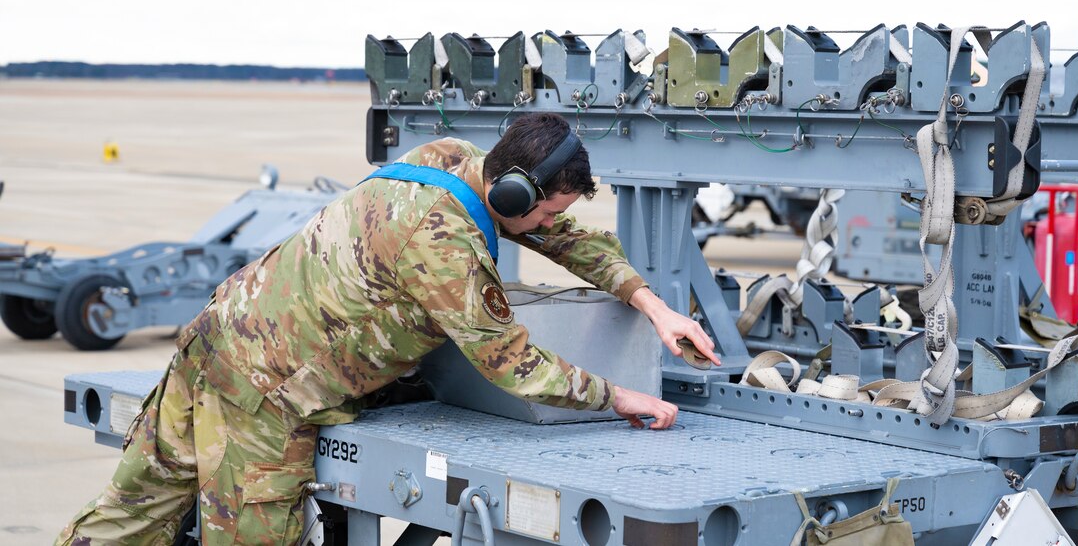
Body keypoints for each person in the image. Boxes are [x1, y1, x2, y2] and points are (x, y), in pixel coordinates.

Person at [58, 112, 720, 545]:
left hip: (218, 333)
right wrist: (622, 396)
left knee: (130, 515)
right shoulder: (443, 245)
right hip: (263, 393)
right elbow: (514, 365)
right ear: (514, 194)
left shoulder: (452, 157)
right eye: (543, 212)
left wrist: (651, 305)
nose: (548, 227)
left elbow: (569, 239)